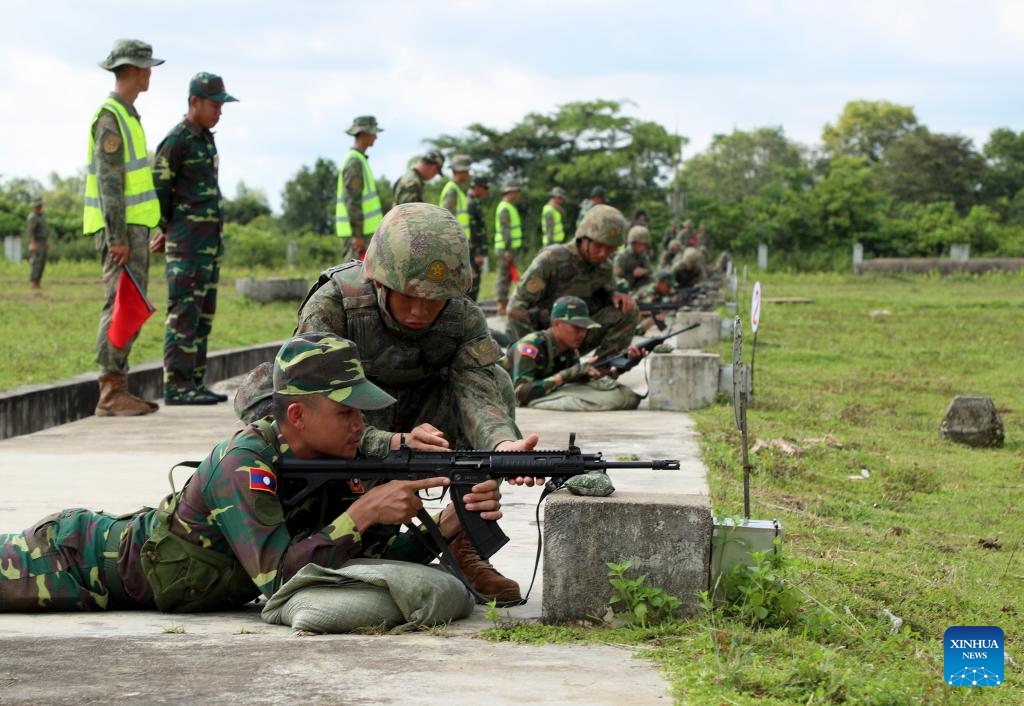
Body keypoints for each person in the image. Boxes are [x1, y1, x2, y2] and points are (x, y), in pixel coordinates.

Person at [0, 333, 512, 613]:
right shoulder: (243, 463)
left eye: (362, 411)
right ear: (297, 416)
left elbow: (346, 569)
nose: (362, 424)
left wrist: (441, 529)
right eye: (347, 412)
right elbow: (280, 580)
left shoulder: (336, 464)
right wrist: (358, 514)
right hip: (70, 560)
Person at [235, 203, 538, 603]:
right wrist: (387, 442)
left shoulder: (463, 318)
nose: (420, 310)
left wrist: (500, 446)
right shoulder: (334, 305)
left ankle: (464, 544)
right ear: (378, 280)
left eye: (435, 300)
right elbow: (309, 401)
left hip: (421, 424)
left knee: (497, 382)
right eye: (408, 295)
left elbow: (477, 391)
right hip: (346, 418)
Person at [83, 38, 164, 418]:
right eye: (146, 67)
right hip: (121, 233)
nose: (150, 73)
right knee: (119, 306)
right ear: (132, 69)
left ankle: (118, 387)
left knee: (129, 306)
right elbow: (109, 182)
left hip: (133, 230)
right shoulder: (111, 116)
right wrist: (116, 238)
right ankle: (110, 391)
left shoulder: (128, 115)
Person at [151, 72, 238, 406]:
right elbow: (160, 188)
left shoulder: (205, 139)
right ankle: (176, 386)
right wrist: (163, 227)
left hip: (208, 245)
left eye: (221, 105)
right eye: (214, 104)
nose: (219, 111)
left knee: (202, 317)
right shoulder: (177, 141)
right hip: (186, 245)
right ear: (194, 102)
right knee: (183, 315)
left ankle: (195, 383)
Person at [507, 205, 638, 360]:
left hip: (573, 341)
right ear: (583, 238)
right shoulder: (551, 260)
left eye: (610, 248)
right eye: (599, 245)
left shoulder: (605, 267)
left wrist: (614, 295)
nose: (603, 253)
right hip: (539, 344)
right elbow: (516, 308)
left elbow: (606, 294)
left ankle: (601, 368)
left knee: (628, 309)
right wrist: (533, 350)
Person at [505, 296, 641, 412]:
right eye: (576, 327)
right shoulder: (530, 347)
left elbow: (574, 382)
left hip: (543, 392)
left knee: (624, 396)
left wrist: (622, 367)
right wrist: (568, 374)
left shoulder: (570, 349)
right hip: (496, 395)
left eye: (585, 328)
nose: (582, 333)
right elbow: (519, 394)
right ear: (557, 324)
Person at [336, 115, 384, 261]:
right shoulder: (354, 162)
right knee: (355, 279)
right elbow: (352, 201)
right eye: (373, 132)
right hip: (358, 237)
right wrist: (357, 235)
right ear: (363, 133)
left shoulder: (359, 160)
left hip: (365, 234)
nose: (376, 136)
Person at [494, 180, 523, 317]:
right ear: (510, 192)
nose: (517, 195)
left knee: (507, 277)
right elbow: (505, 230)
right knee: (503, 277)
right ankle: (501, 305)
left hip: (510, 249)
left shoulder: (509, 206)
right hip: (505, 249)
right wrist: (507, 250)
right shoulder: (505, 208)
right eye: (516, 192)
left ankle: (504, 304)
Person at [465, 175, 490, 302]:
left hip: (474, 252)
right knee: (472, 284)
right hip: (473, 252)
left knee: (474, 283)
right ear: (478, 187)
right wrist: (477, 254)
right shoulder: (471, 203)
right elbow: (473, 231)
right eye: (485, 188)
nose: (486, 191)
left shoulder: (474, 202)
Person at [614, 225, 653, 293]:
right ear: (633, 244)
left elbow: (651, 273)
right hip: (624, 292)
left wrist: (644, 271)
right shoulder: (622, 257)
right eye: (640, 244)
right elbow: (616, 278)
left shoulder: (643, 256)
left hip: (640, 291)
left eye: (645, 245)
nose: (643, 248)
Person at [26, 196, 48, 289]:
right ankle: (34, 282)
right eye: (38, 205)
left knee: (42, 263)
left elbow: (45, 230)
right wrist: (33, 244)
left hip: (43, 241)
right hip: (37, 242)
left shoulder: (42, 216)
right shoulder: (32, 217)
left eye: (40, 205)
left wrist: (47, 241)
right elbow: (31, 232)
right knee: (36, 263)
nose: (40, 206)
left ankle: (38, 282)